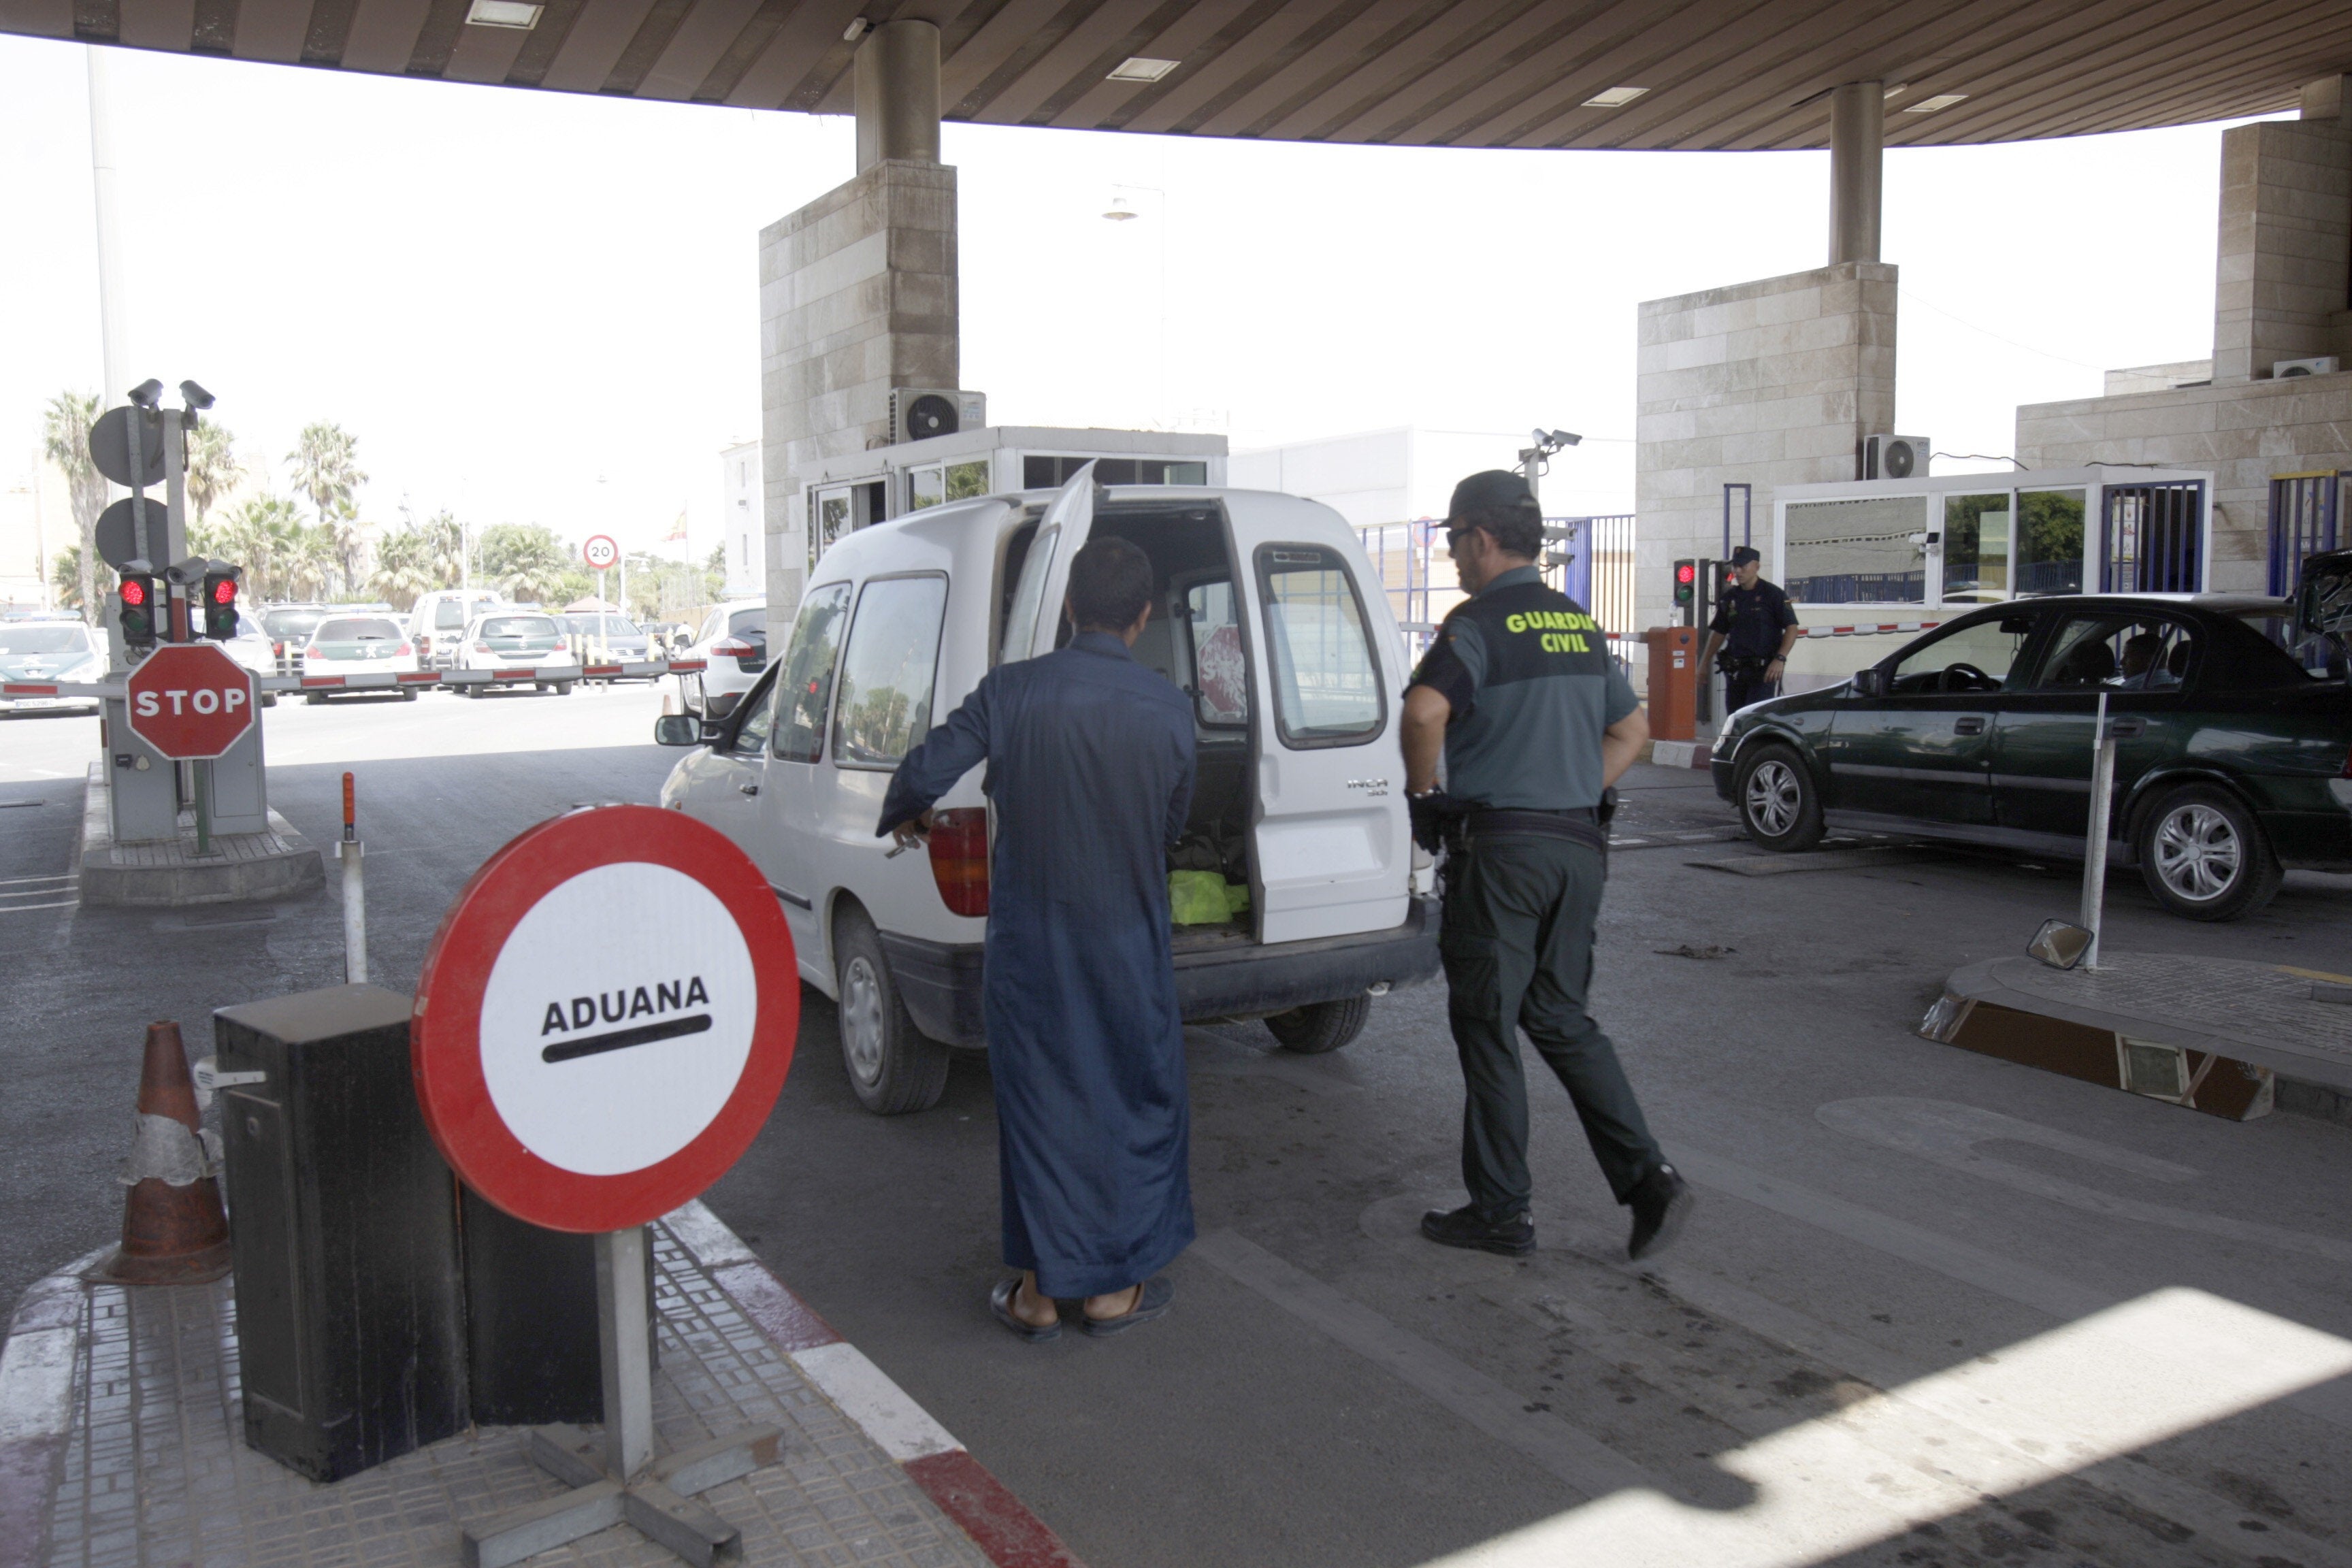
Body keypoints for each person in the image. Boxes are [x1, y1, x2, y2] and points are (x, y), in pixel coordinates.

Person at [877, 536, 1196, 1341]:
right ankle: (1109, 1290)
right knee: (1127, 1097)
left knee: (1040, 1103)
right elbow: (1172, 826)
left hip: (1032, 945)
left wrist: (909, 812)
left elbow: (924, 772)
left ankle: (1039, 1294)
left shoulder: (1012, 690)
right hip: (1126, 939)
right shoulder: (1168, 707)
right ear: (1144, 616)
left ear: (1067, 608)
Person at [1401, 470, 1693, 1262]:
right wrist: (1564, 792)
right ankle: (1648, 1178)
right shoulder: (1578, 624)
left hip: (1503, 859)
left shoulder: (1478, 623)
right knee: (1561, 1018)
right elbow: (1629, 733)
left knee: (1487, 1025)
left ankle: (1501, 1210)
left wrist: (1423, 792)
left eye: (1454, 540)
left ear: (1483, 538)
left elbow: (1425, 709)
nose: (1453, 558)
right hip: (1576, 852)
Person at [1699, 546, 1801, 714]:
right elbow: (1719, 632)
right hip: (1736, 671)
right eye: (1735, 566)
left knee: (1754, 718)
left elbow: (1792, 628)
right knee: (1735, 718)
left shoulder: (1774, 595)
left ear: (1757, 567)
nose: (1738, 571)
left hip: (1763, 672)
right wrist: (1703, 664)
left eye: (1743, 566)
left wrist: (1780, 659)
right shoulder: (1730, 598)